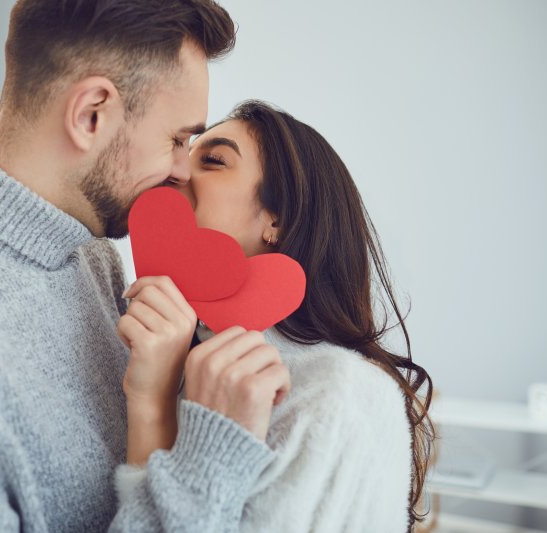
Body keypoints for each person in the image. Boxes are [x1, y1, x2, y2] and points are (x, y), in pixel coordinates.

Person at [0, 2, 292, 531]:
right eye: (178, 140)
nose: (183, 171)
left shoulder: (91, 256)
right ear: (92, 113)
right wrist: (211, 461)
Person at [114, 100, 437, 532]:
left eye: (212, 160)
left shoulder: (336, 394)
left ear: (278, 218)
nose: (177, 171)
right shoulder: (166, 349)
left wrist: (156, 408)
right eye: (182, 150)